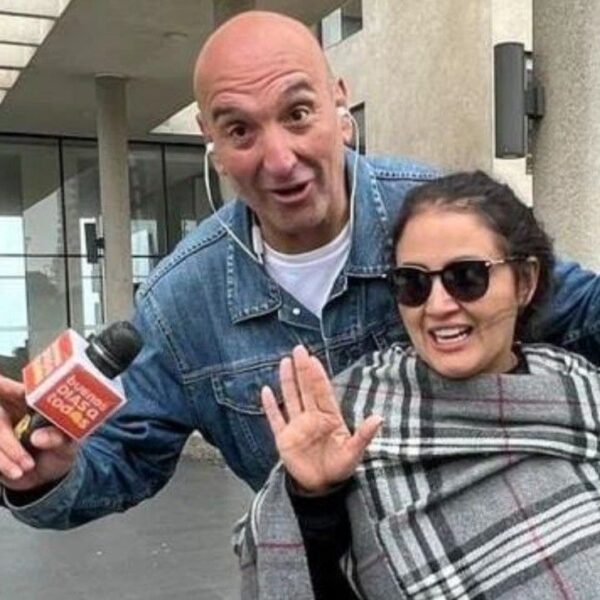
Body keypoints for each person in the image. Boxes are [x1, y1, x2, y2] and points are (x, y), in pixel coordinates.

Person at [0, 10, 598, 533]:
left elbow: (581, 315)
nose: (280, 159)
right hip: (310, 565)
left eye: (298, 112)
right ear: (211, 141)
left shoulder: (435, 219)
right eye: (240, 130)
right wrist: (42, 471)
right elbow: (121, 458)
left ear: (340, 105)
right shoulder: (181, 301)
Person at [241, 171, 600, 599]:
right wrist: (315, 502)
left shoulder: (581, 395)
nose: (438, 306)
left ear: (524, 282)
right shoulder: (349, 417)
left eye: (466, 277)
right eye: (413, 283)